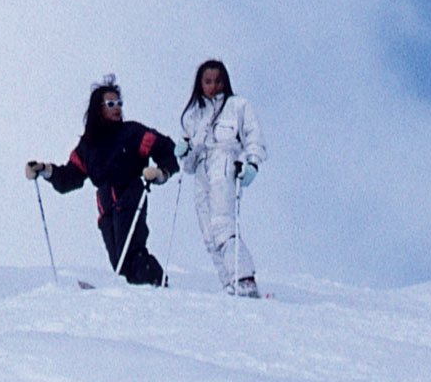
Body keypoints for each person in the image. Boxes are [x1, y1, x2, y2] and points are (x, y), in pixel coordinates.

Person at [27, 75, 179, 284]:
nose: (117, 108)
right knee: (118, 261)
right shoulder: (89, 145)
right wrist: (45, 170)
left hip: (130, 192)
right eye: (111, 104)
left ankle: (156, 286)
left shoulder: (132, 132)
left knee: (132, 251)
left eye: (119, 103)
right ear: (98, 108)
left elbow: (166, 149)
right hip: (106, 201)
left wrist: (161, 172)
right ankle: (144, 293)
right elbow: (69, 177)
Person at [179, 58, 266, 296]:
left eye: (218, 81)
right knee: (208, 232)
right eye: (207, 81)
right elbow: (187, 163)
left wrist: (252, 163)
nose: (213, 86)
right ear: (200, 84)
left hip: (224, 163)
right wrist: (184, 152)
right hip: (201, 171)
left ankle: (244, 277)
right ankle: (228, 281)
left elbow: (252, 135)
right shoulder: (194, 115)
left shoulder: (238, 106)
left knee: (222, 224)